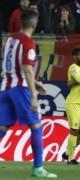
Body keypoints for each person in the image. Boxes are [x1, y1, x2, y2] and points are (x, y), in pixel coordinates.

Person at [0, 10, 57, 178]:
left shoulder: (9, 40)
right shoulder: (28, 43)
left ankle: (38, 167)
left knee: (2, 127)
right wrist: (33, 95)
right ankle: (38, 168)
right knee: (36, 125)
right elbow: (27, 69)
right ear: (34, 24)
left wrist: (35, 82)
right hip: (20, 89)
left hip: (5, 88)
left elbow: (11, 66)